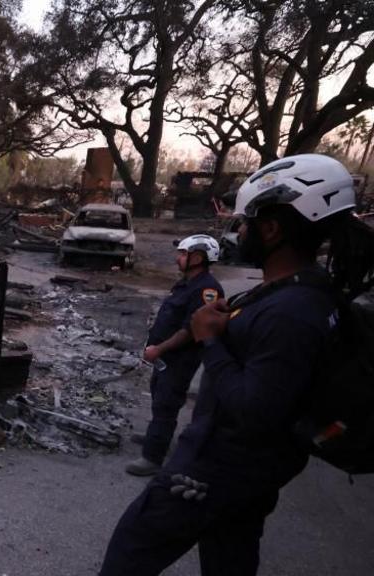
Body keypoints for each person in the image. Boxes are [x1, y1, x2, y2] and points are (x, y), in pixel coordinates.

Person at [100, 154, 374, 576]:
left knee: (129, 553)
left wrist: (210, 340)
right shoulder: (302, 292)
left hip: (214, 469)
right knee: (230, 561)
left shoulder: (291, 312)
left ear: (271, 229)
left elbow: (252, 411)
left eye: (246, 222)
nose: (240, 230)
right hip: (253, 477)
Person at [125, 234, 223, 477]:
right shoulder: (185, 283)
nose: (178, 258)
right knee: (159, 394)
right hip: (165, 356)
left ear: (198, 258)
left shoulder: (206, 289)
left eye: (183, 254)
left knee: (167, 401)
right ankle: (155, 436)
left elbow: (189, 330)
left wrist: (159, 348)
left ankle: (152, 457)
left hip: (180, 358)